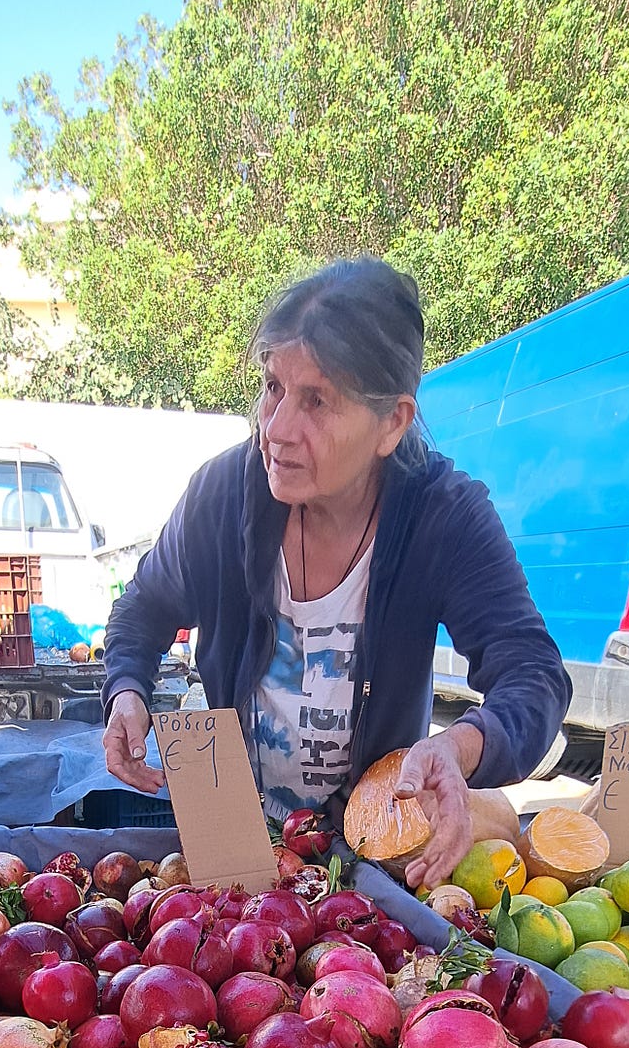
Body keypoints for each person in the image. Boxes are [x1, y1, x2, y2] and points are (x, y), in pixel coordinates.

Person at [99, 258, 571, 889]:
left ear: (392, 423)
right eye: (273, 387)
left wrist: (457, 749)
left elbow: (534, 674)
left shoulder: (444, 515)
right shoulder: (222, 495)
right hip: (227, 843)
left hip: (371, 854)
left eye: (316, 400)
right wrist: (126, 688)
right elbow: (144, 609)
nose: (277, 429)